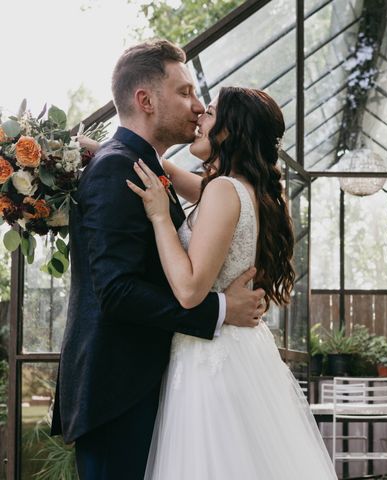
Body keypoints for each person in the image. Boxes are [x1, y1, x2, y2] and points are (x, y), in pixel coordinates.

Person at [50, 40, 266, 480]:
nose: (198, 104)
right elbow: (116, 290)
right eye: (185, 92)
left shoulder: (147, 167)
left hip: (150, 388)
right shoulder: (118, 168)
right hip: (118, 396)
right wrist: (221, 310)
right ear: (145, 100)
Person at [126, 86, 337, 479]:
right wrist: (118, 148)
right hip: (238, 353)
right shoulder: (242, 188)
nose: (199, 120)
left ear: (230, 129)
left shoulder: (224, 190)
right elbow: (186, 182)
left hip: (211, 362)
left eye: (209, 113)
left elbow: (189, 291)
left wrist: (159, 218)